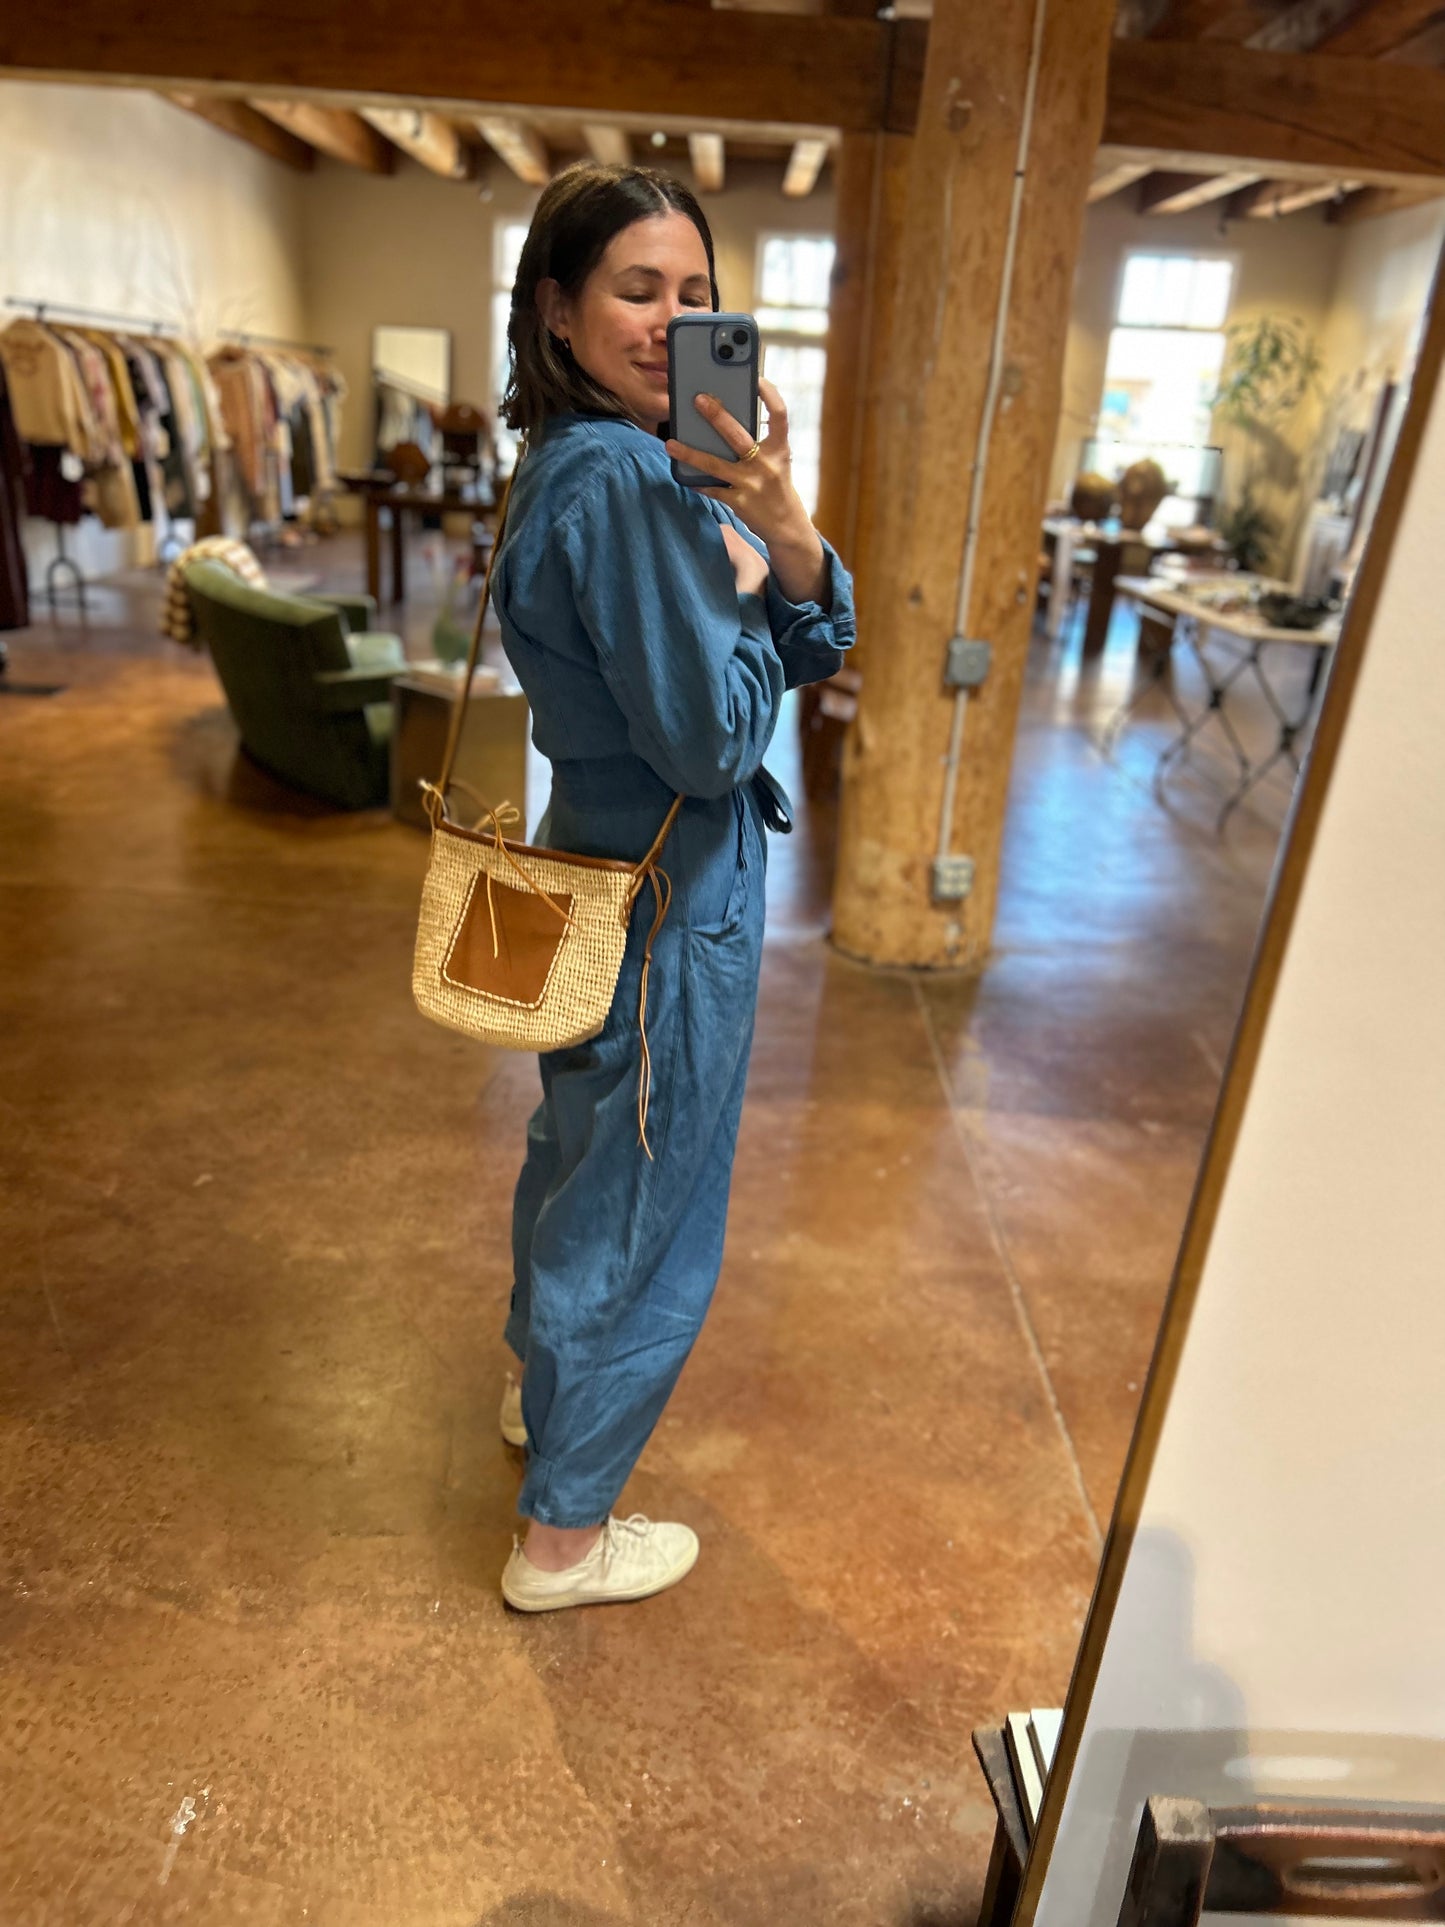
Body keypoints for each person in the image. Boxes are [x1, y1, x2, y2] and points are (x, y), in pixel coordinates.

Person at [490, 162, 855, 1612]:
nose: (670, 322)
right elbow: (713, 742)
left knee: (581, 1152)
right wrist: (753, 585)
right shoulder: (631, 481)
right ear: (557, 309)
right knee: (645, 1200)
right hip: (669, 891)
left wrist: (781, 537)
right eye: (635, 290)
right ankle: (564, 1539)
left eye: (695, 295)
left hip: (599, 861)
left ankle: (540, 1393)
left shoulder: (575, 459)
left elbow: (797, 638)